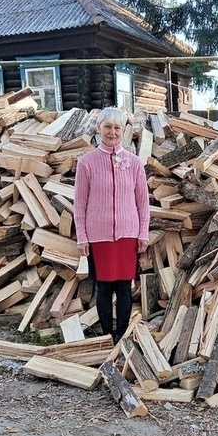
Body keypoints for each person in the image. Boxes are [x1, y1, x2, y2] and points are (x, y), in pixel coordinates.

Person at [74, 107, 150, 343]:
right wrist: (82, 236)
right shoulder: (86, 163)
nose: (112, 132)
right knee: (104, 288)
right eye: (107, 126)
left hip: (128, 234)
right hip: (99, 236)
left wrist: (143, 233)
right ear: (99, 129)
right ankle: (107, 336)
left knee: (125, 288)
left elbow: (143, 202)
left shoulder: (135, 163)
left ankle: (122, 334)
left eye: (117, 127)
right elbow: (80, 203)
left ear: (124, 131)